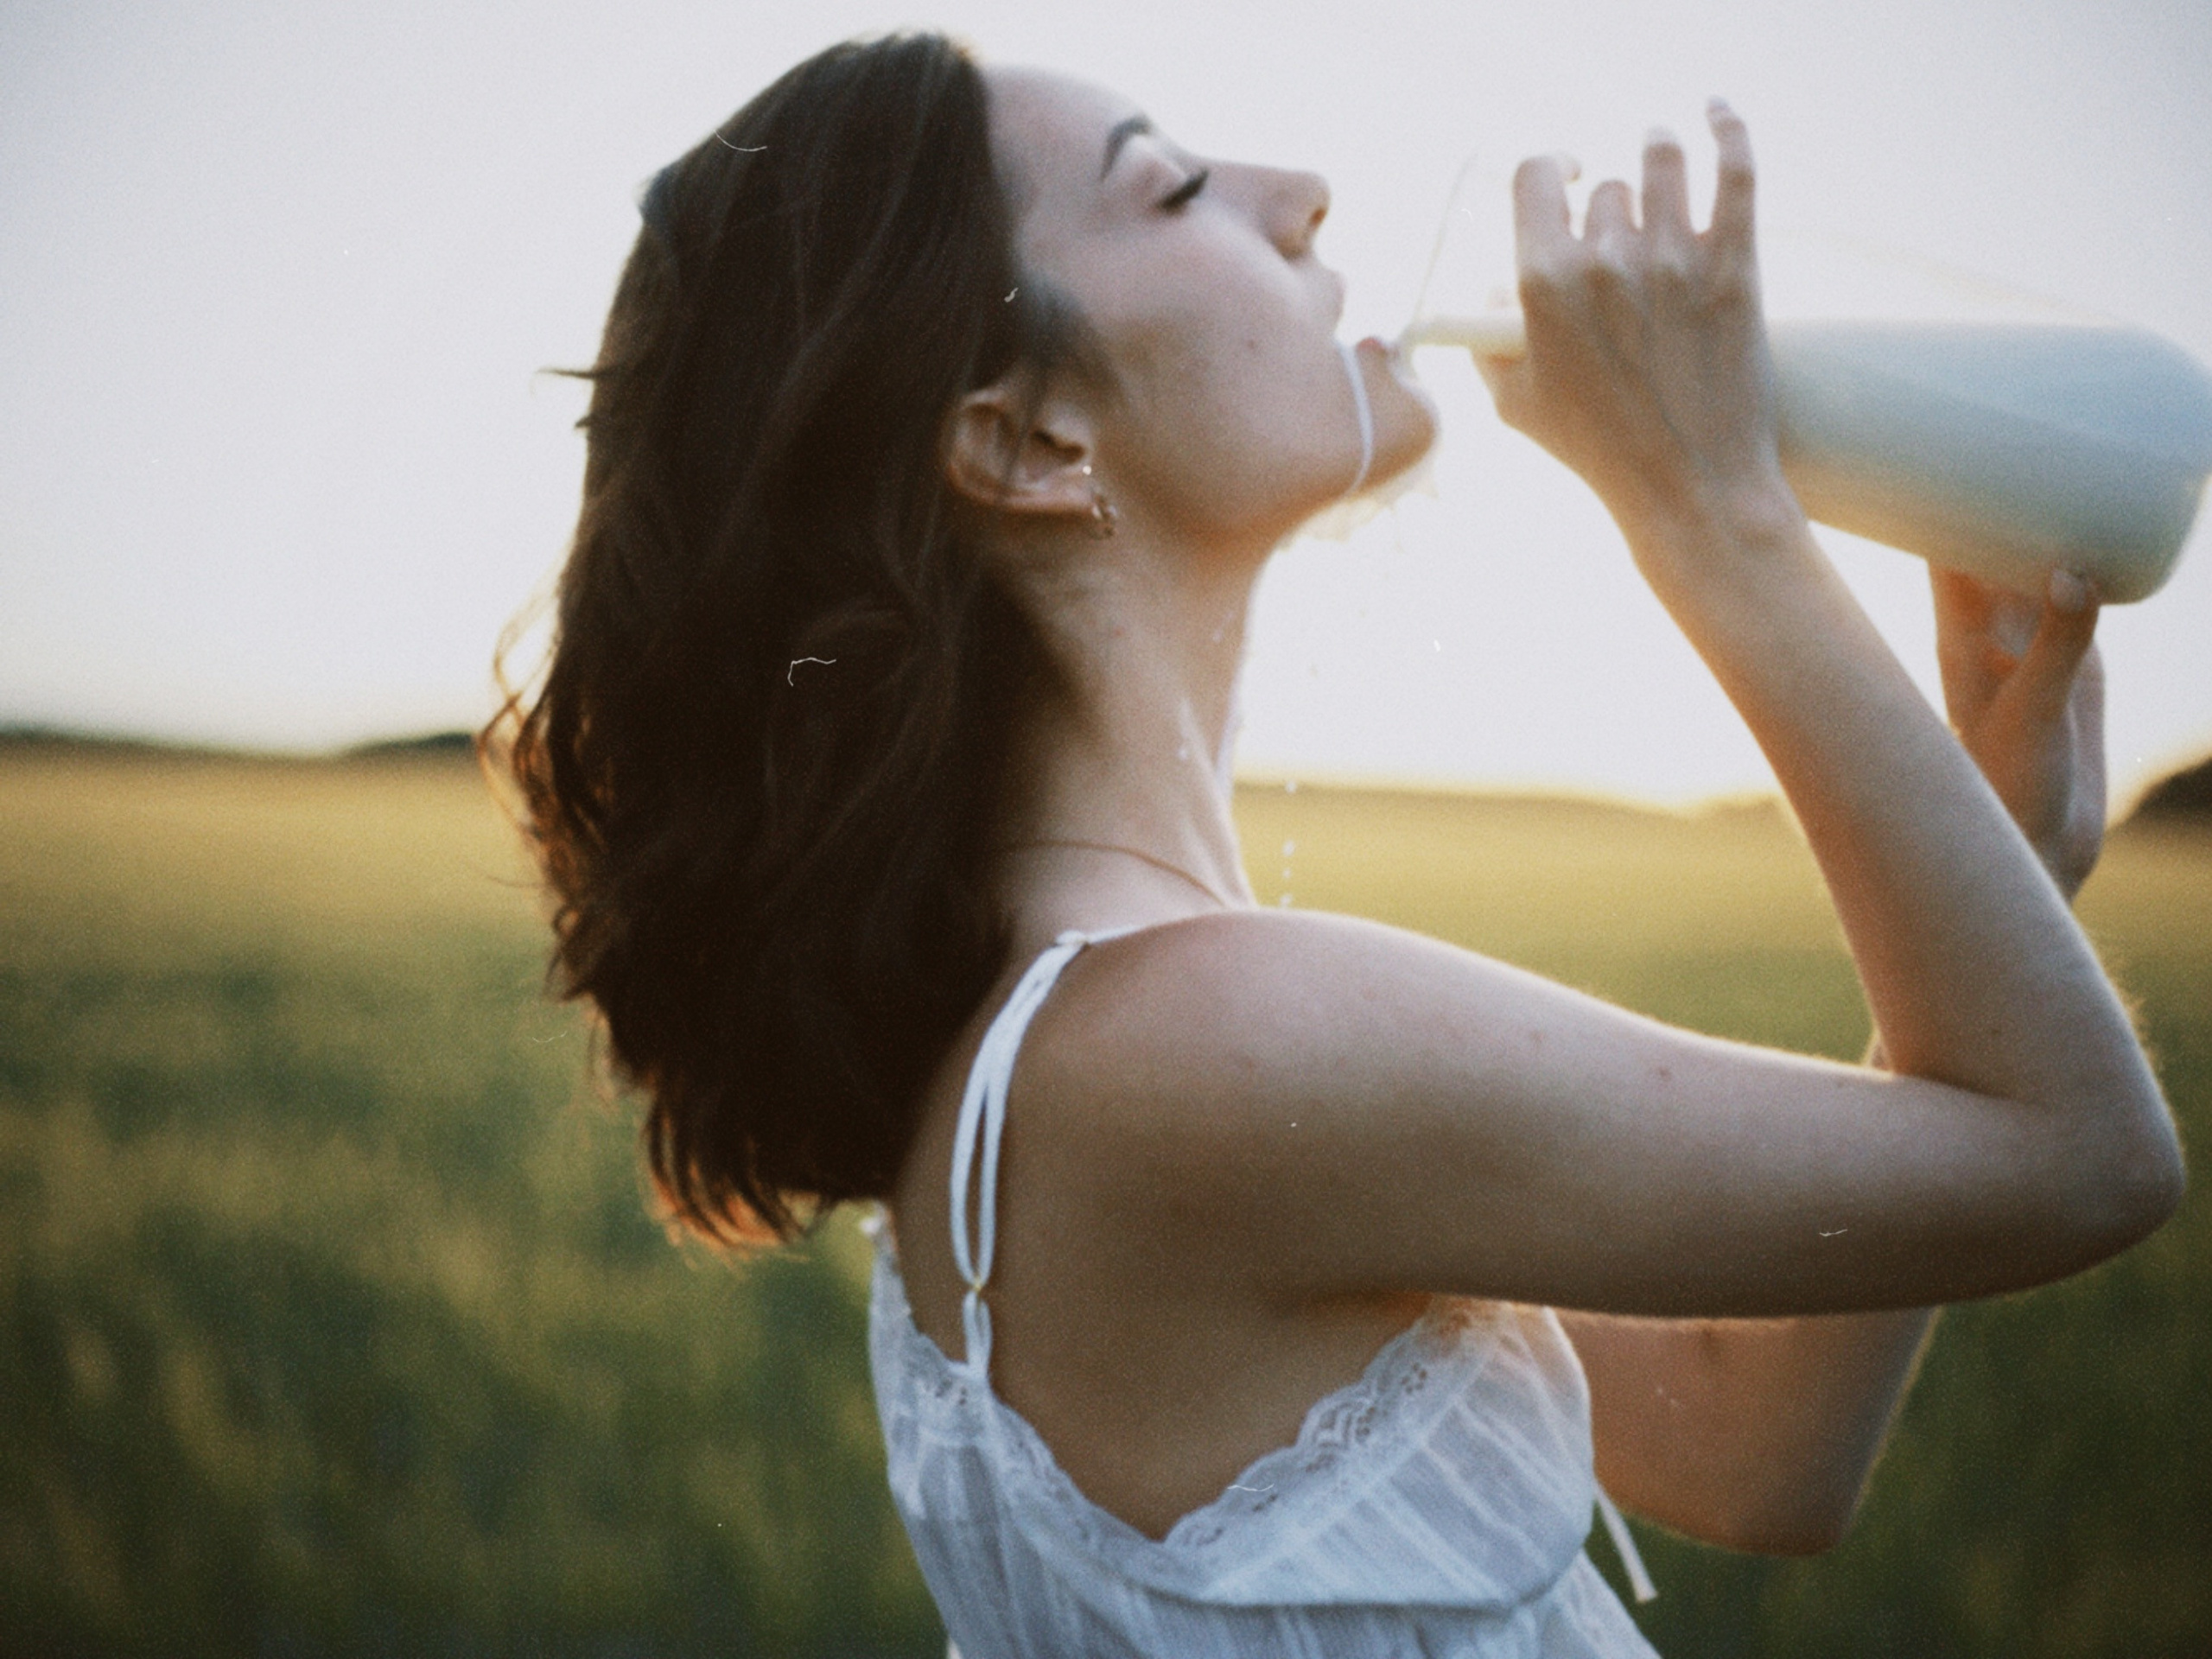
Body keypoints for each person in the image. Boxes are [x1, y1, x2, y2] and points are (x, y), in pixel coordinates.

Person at [491, 31, 2183, 1656]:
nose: (1298, 191)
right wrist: (1706, 502)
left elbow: (1754, 1451)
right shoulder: (1186, 1042)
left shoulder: (1095, 1044)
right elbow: (2077, 1158)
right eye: (1167, 189)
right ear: (1021, 440)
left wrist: (2009, 867)